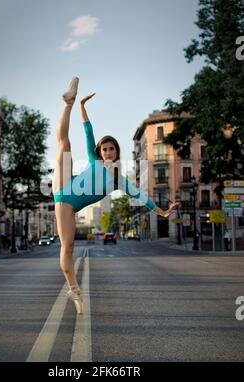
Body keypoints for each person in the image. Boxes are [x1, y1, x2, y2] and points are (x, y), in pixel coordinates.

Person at [52, 77, 179, 314]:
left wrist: (163, 211)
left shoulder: (119, 180)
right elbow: (88, 131)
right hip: (63, 188)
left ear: (117, 151)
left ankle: (74, 289)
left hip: (68, 206)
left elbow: (143, 198)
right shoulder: (94, 159)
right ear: (100, 152)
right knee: (64, 145)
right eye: (104, 149)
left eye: (111, 149)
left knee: (68, 247)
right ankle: (67, 102)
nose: (108, 152)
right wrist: (80, 106)